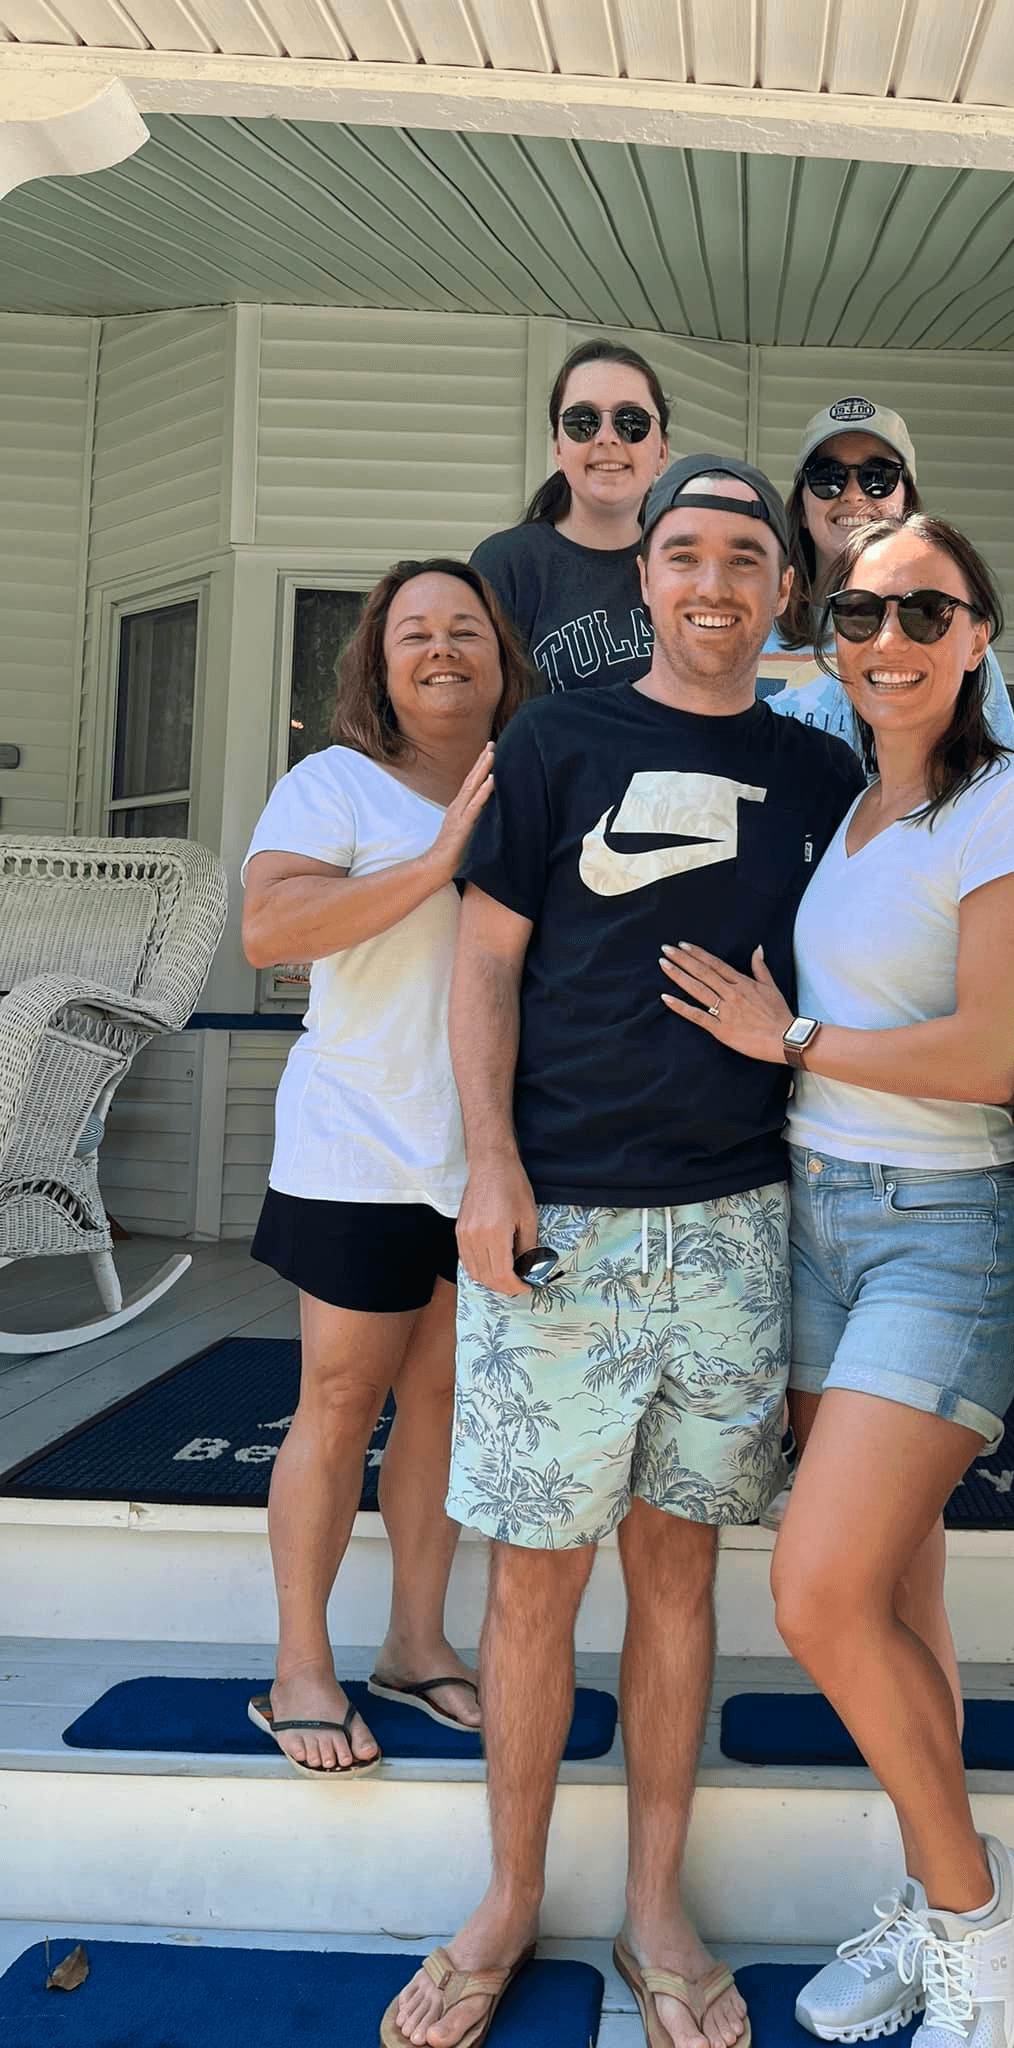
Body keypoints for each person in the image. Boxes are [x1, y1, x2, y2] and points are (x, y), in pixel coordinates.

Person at [381, 456, 866, 2048]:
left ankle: (656, 1902)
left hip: (738, 1225)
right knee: (534, 1591)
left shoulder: (817, 776)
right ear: (642, 582)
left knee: (677, 1579)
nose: (716, 580)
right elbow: (487, 966)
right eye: (685, 554)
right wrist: (492, 1163)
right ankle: (509, 1898)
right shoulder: (555, 741)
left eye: (745, 555)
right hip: (562, 1230)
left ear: (781, 589)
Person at [659, 513, 1014, 2048]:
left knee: (818, 1588)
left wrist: (797, 1044)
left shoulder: (1010, 805)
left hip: (944, 1227)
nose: (885, 639)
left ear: (979, 636)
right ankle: (935, 1887)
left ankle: (978, 1915)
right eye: (858, 614)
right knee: (896, 1590)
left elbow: (987, 1054)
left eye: (924, 612)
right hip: (821, 1215)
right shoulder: (850, 803)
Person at [242, 558, 532, 1775]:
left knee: (446, 1404)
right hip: (357, 1143)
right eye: (415, 631)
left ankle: (417, 1642)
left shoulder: (531, 778)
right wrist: (431, 861)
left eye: (465, 628)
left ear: (500, 655)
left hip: (480, 1152)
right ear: (379, 658)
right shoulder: (335, 783)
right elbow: (271, 929)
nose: (441, 648)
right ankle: (298, 1662)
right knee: (340, 1400)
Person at [756, 396, 1014, 759]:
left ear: (907, 503)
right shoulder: (753, 625)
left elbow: (999, 775)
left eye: (877, 477)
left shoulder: (950, 630)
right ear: (801, 508)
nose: (853, 495)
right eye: (827, 478)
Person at [470, 338, 670, 694]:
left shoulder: (684, 564)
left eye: (631, 421)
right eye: (583, 421)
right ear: (559, 449)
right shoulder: (507, 565)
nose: (607, 437)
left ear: (662, 452)